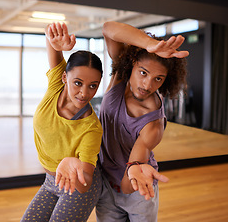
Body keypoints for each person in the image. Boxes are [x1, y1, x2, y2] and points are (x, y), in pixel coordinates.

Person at [96, 21, 189, 222]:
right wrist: (149, 44)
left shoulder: (153, 123)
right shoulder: (120, 78)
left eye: (158, 78)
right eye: (143, 72)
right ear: (132, 64)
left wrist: (132, 171)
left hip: (137, 188)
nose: (147, 85)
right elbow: (108, 29)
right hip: (106, 186)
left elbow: (131, 177)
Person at [20, 22, 103, 221]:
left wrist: (73, 163)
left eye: (93, 86)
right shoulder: (56, 85)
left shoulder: (91, 127)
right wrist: (58, 43)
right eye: (78, 83)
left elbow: (86, 182)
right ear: (65, 77)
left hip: (77, 187)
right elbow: (49, 33)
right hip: (50, 181)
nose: (84, 93)